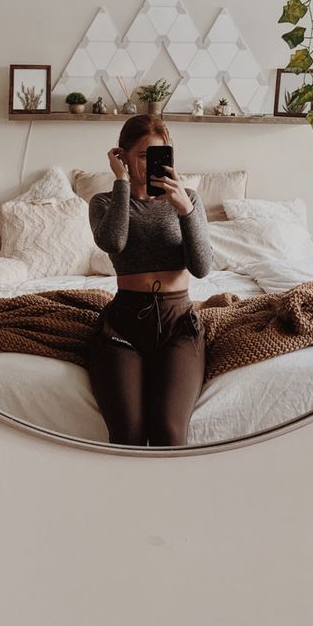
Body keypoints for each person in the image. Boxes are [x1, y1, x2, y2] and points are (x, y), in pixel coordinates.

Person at [87, 114, 213, 447]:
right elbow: (113, 242)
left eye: (159, 155)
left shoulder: (188, 200)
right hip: (123, 326)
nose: (150, 164)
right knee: (127, 434)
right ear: (122, 155)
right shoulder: (104, 202)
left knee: (169, 433)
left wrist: (185, 211)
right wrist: (122, 183)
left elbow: (202, 267)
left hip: (178, 325)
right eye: (142, 156)